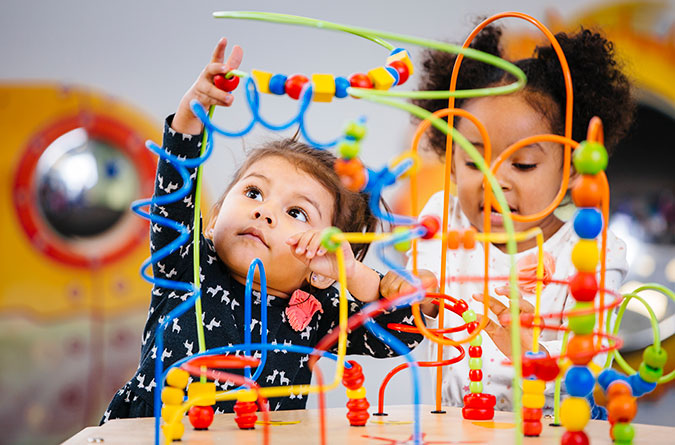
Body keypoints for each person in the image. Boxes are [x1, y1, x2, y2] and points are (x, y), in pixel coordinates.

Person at [102, 38, 423, 422]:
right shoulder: (186, 266)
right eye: (254, 192)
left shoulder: (319, 311)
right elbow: (174, 197)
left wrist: (350, 273)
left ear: (318, 268)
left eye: (297, 213)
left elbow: (401, 332)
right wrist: (193, 114)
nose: (265, 213)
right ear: (217, 215)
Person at [380, 26, 634, 414]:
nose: (495, 180)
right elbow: (421, 323)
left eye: (524, 164)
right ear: (450, 160)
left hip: (552, 430)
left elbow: (589, 363)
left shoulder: (592, 251)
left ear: (571, 170)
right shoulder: (443, 218)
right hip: (455, 426)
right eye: (473, 159)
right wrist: (411, 297)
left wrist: (529, 348)